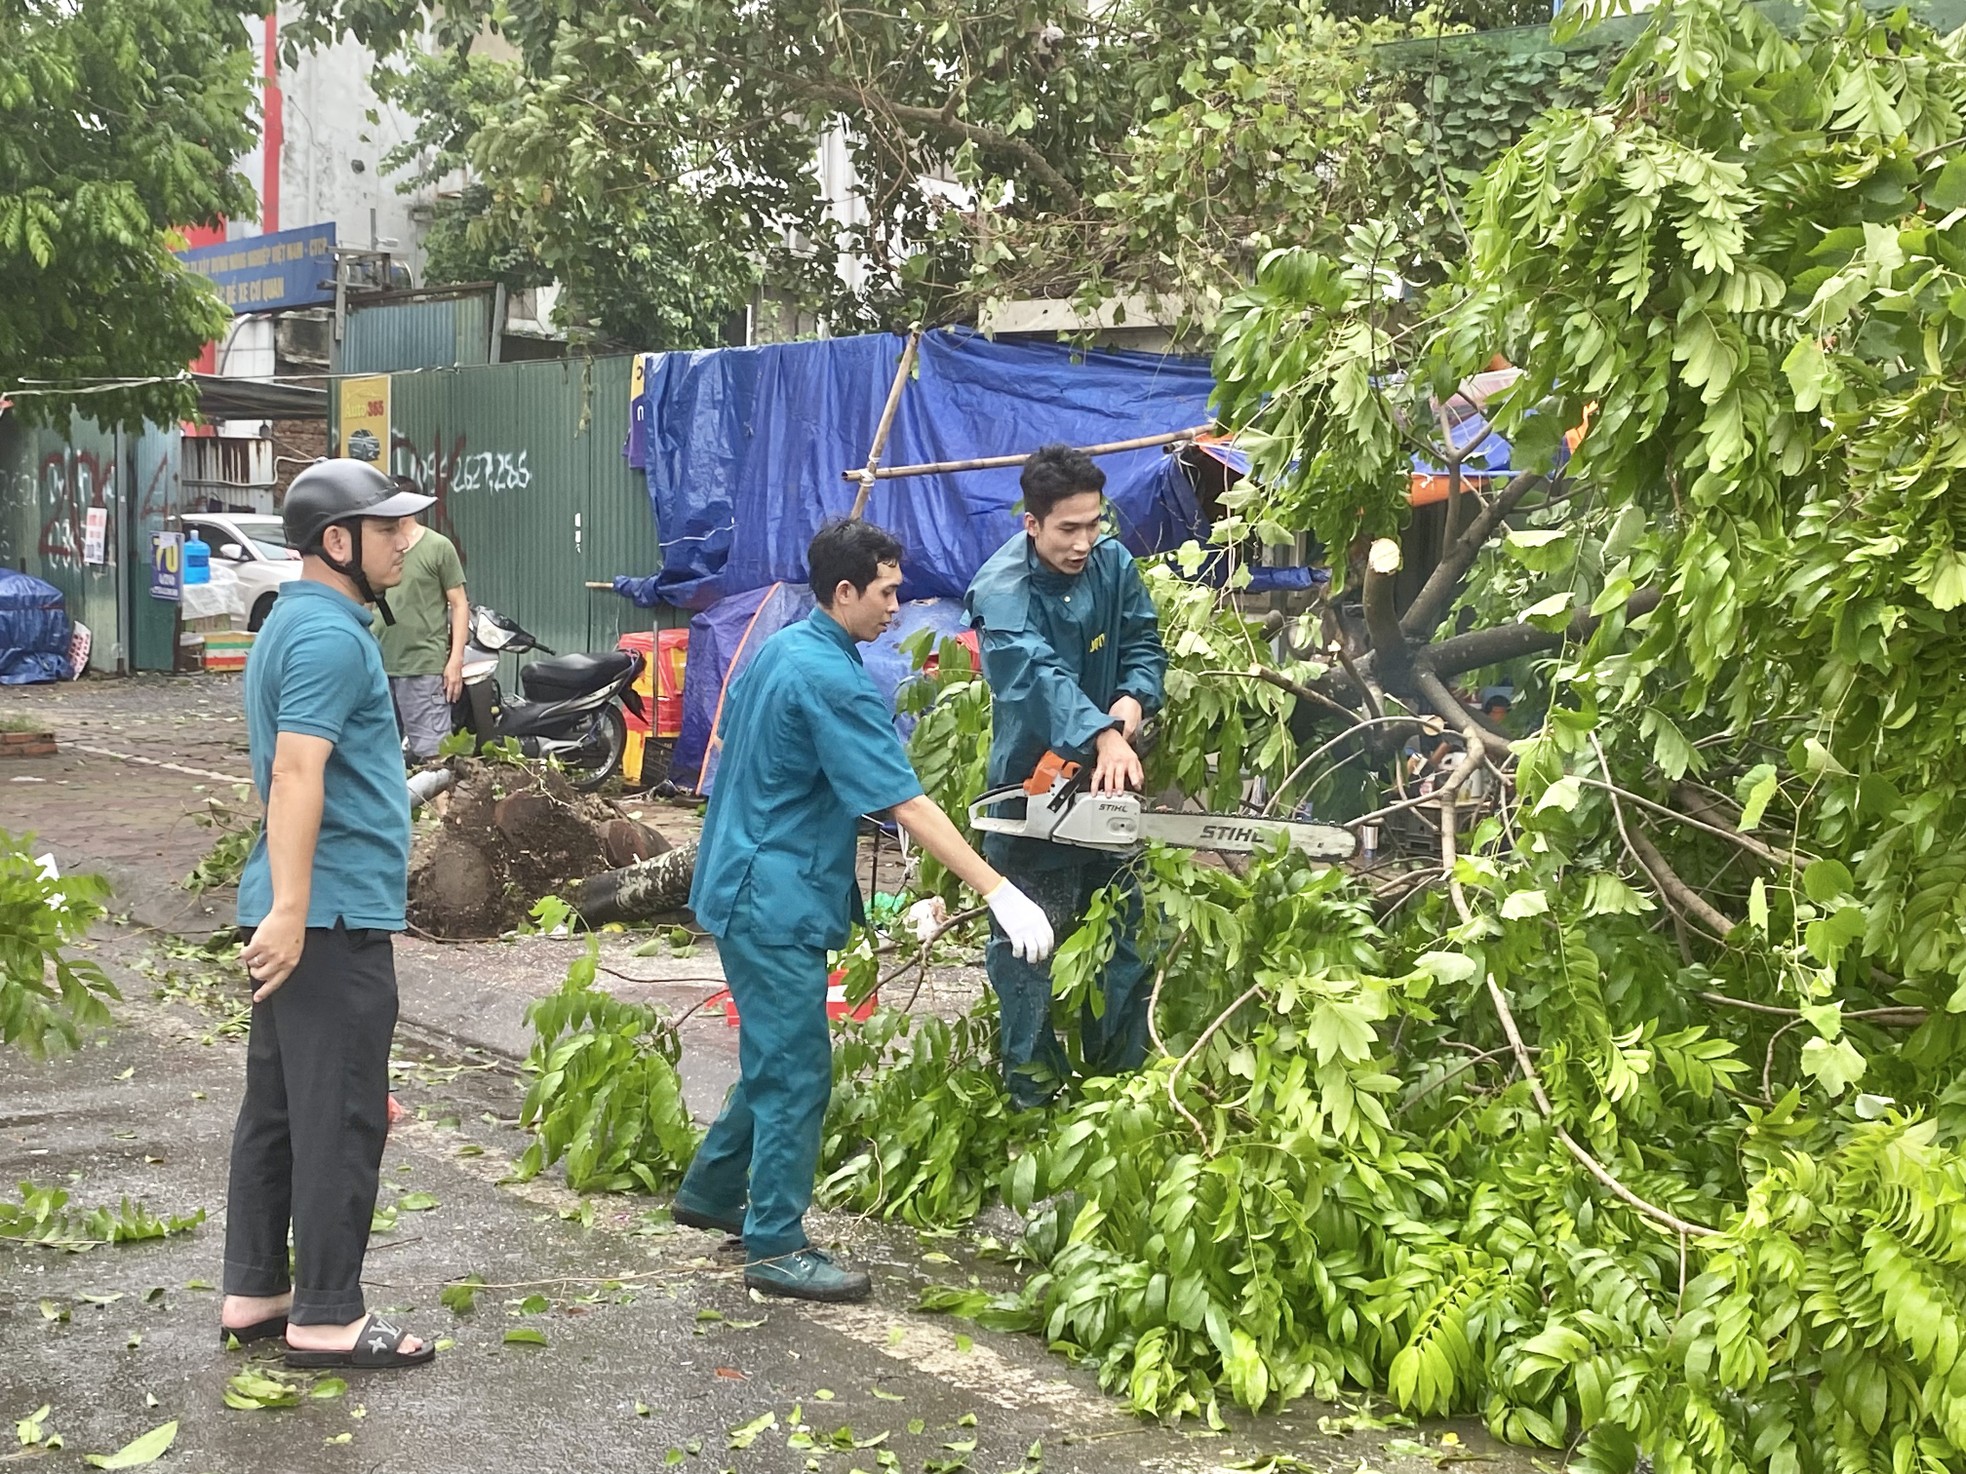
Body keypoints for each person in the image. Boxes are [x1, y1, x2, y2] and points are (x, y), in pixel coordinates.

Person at [672, 519, 1054, 1304]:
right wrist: (998, 889)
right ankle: (775, 1245)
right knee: (798, 1071)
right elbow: (905, 804)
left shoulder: (783, 645)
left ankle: (712, 1190)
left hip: (744, 880)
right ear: (844, 592)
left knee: (779, 1052)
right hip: (773, 895)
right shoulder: (831, 678)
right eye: (885, 592)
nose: (898, 606)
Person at [219, 459, 439, 1371]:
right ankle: (327, 1315)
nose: (407, 540)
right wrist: (296, 910)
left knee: (276, 1108)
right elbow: (296, 772)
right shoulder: (332, 639)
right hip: (329, 915)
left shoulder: (296, 621)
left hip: (306, 906)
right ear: (337, 541)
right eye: (388, 528)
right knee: (344, 1112)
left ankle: (256, 1291)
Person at [963, 443, 1167, 1109]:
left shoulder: (1111, 563)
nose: (1084, 541)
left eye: (1094, 523)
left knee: (1127, 938)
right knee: (1031, 951)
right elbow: (1034, 677)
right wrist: (1101, 734)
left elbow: (1142, 641)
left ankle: (1117, 1090)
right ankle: (1034, 1094)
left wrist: (1134, 698)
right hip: (1033, 790)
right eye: (1068, 529)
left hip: (1110, 782)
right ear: (1032, 524)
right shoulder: (1003, 590)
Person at [371, 479, 467, 761]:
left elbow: (459, 603)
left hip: (423, 668)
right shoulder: (377, 550)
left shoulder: (438, 547)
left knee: (434, 758)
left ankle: (440, 807)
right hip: (378, 666)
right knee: (378, 756)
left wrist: (455, 660)